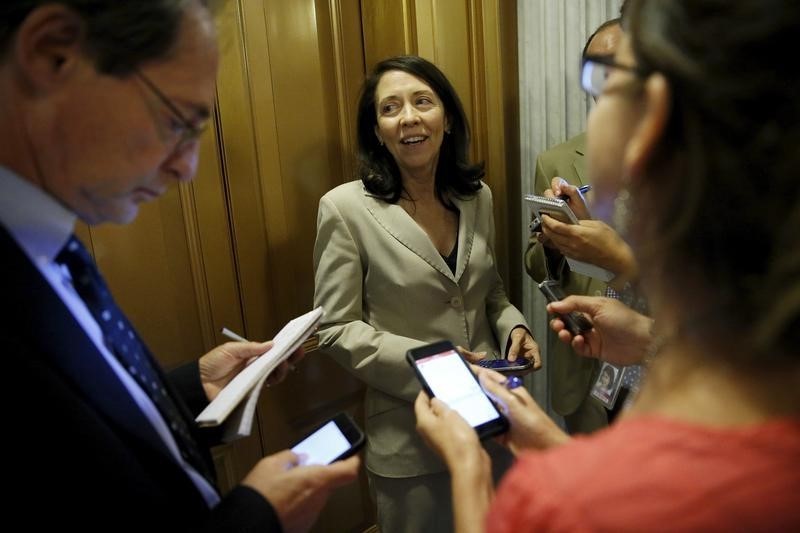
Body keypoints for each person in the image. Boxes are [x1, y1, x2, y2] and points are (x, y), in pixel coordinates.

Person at [416, 0, 800, 530]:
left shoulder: (556, 503)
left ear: (651, 120)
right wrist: (559, 443)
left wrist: (469, 467)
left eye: (610, 82)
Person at [0, 1, 358, 530]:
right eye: (175, 121)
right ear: (52, 53)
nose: (186, 167)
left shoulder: (52, 246)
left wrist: (191, 392)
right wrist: (256, 518)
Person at [313, 55, 539, 533]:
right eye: (390, 108)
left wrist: (514, 325)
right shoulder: (345, 209)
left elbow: (489, 290)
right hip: (410, 441)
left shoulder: (479, 197)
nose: (409, 118)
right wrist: (436, 360)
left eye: (422, 102)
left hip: (492, 425)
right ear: (376, 129)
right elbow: (334, 330)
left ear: (447, 117)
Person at [524, 17, 638, 434]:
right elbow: (535, 264)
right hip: (585, 361)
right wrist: (555, 244)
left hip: (661, 366)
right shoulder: (556, 161)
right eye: (595, 69)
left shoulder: (688, 161)